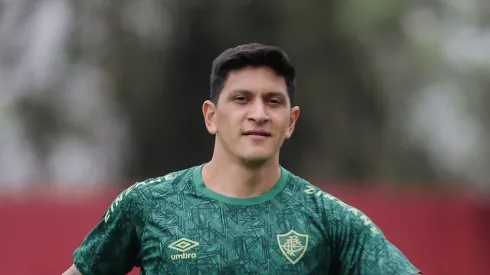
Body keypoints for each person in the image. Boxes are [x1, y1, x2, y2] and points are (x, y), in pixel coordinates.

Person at [63, 43, 421, 275]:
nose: (259, 114)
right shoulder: (148, 205)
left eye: (273, 101)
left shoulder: (331, 221)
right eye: (241, 99)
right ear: (211, 116)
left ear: (291, 121)